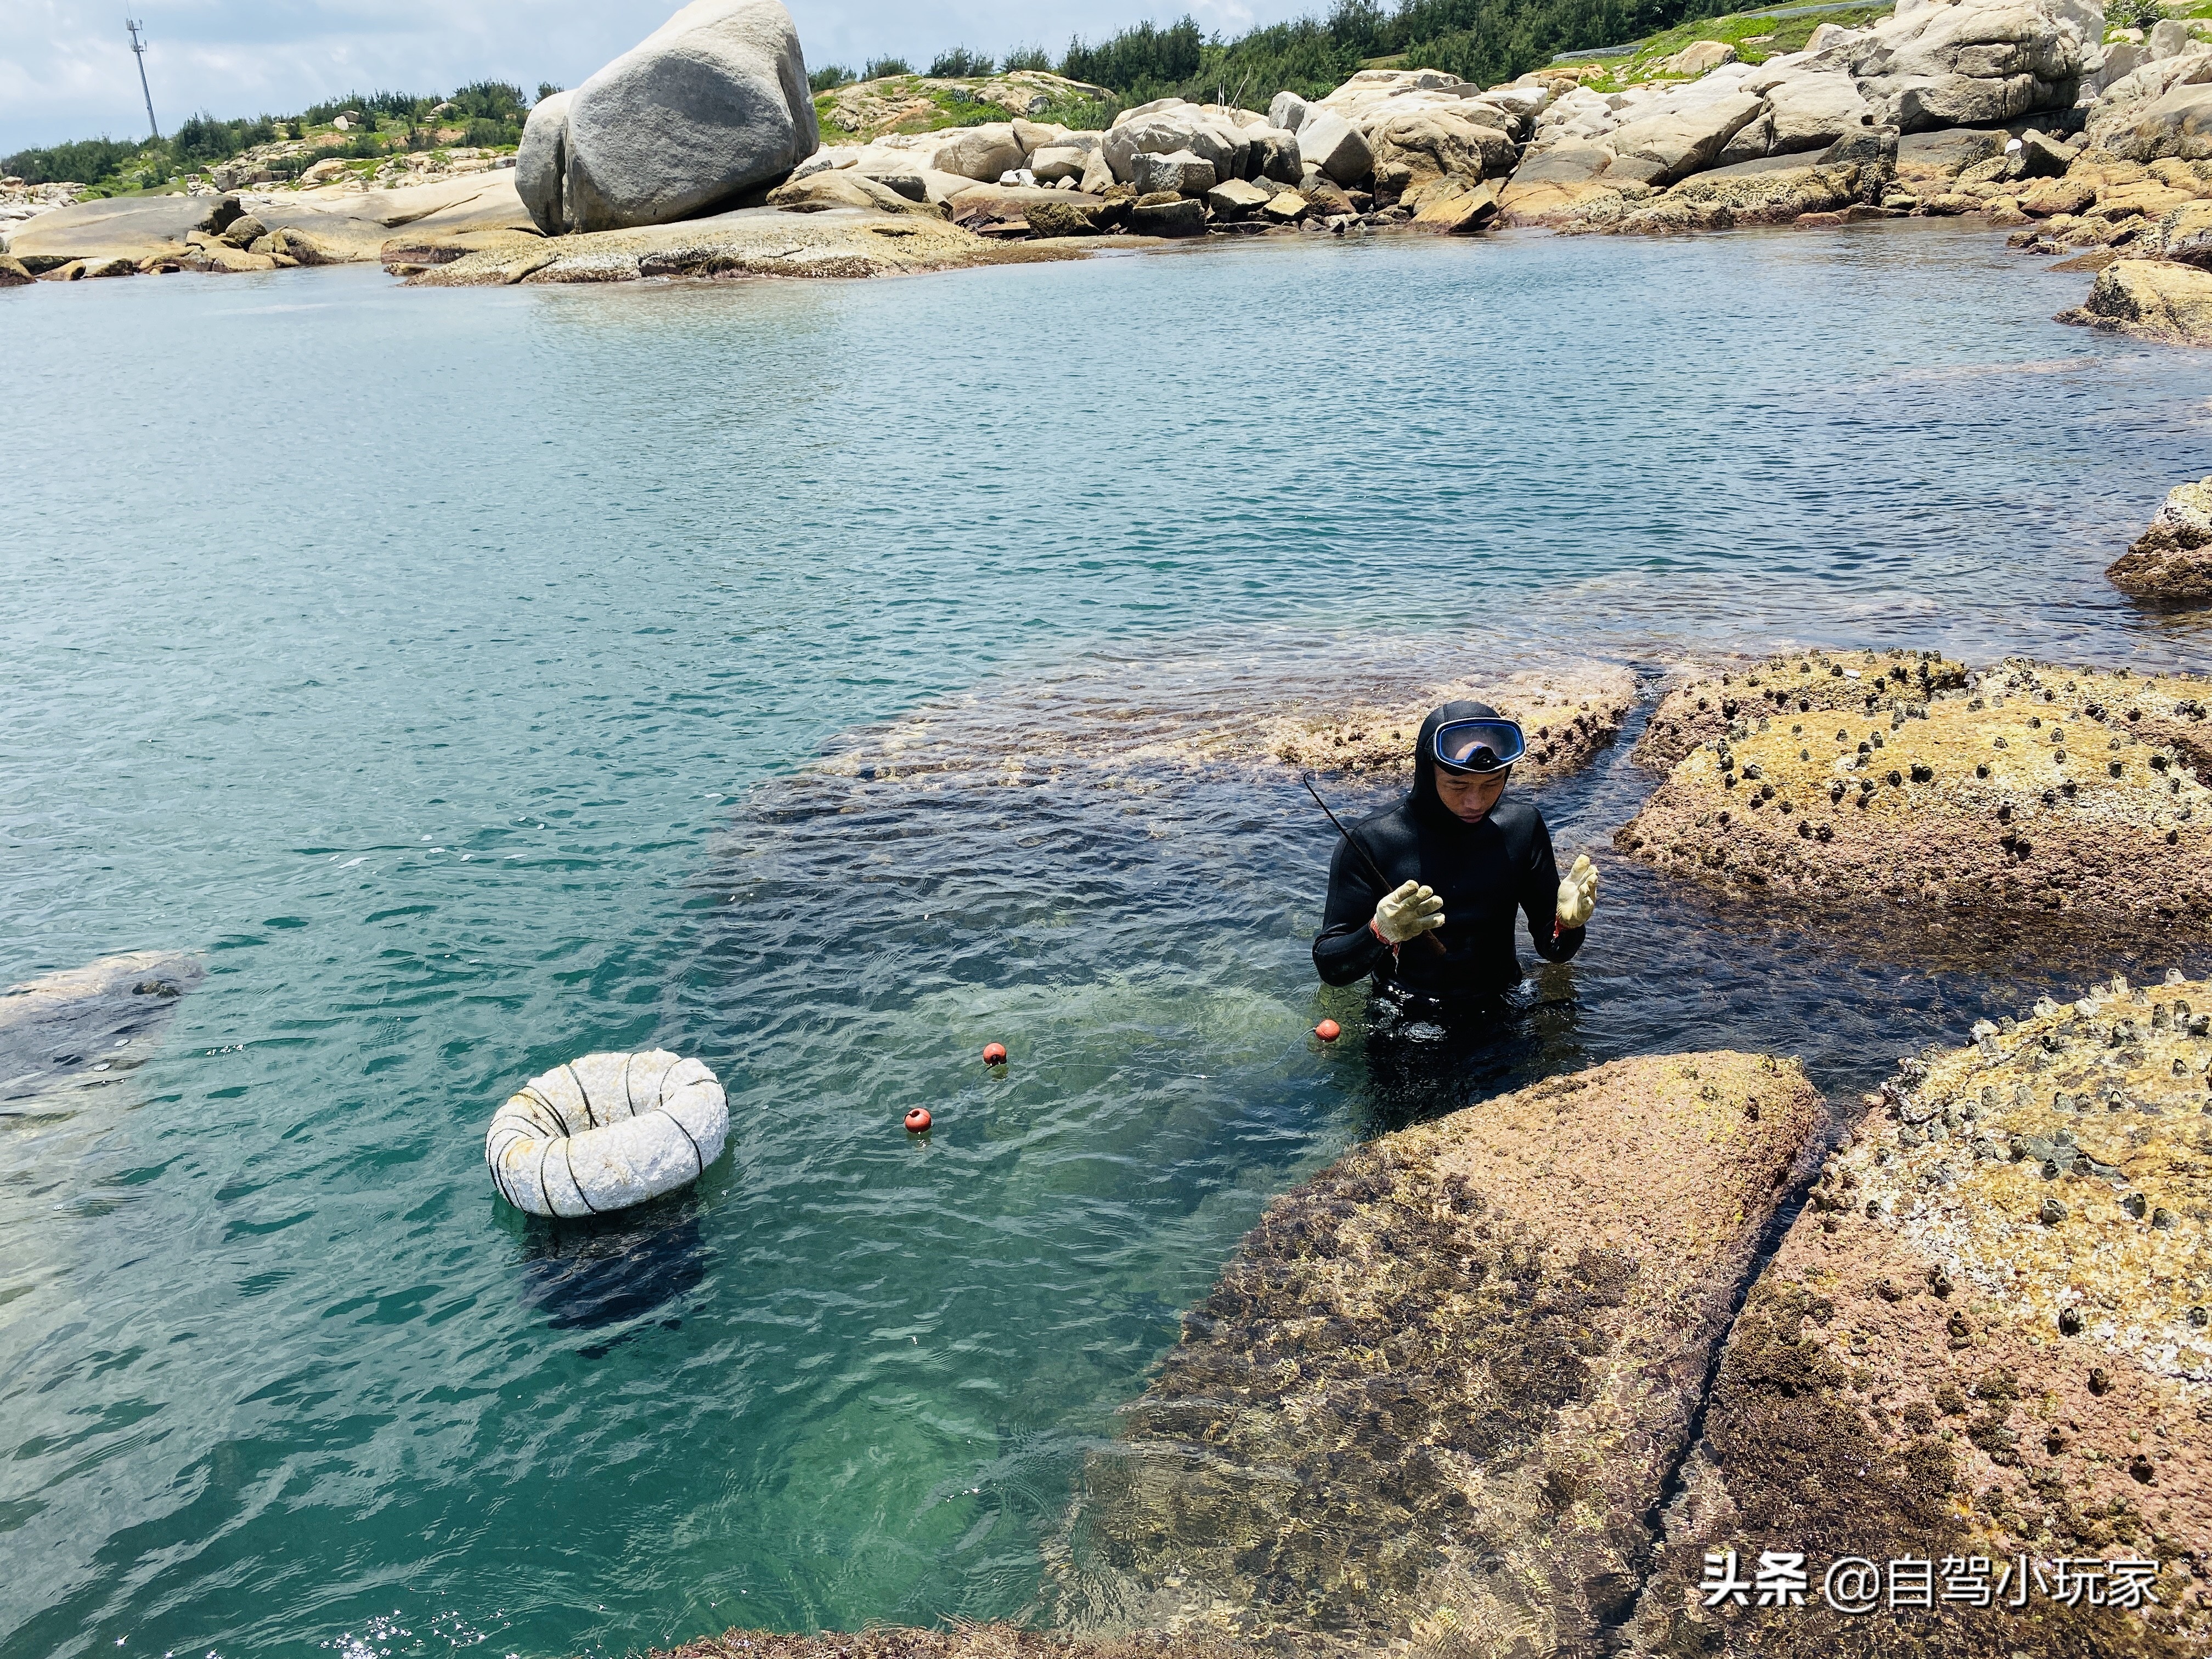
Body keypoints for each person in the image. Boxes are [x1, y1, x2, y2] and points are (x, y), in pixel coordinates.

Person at [1313, 701, 1597, 1003]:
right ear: (1427, 773)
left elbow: (1554, 951)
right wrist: (1378, 932)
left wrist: (1568, 926)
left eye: (1492, 783)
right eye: (1458, 786)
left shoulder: (1522, 826)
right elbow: (1332, 970)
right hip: (1405, 1009)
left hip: (1505, 1000)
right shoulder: (1372, 840)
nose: (1476, 802)